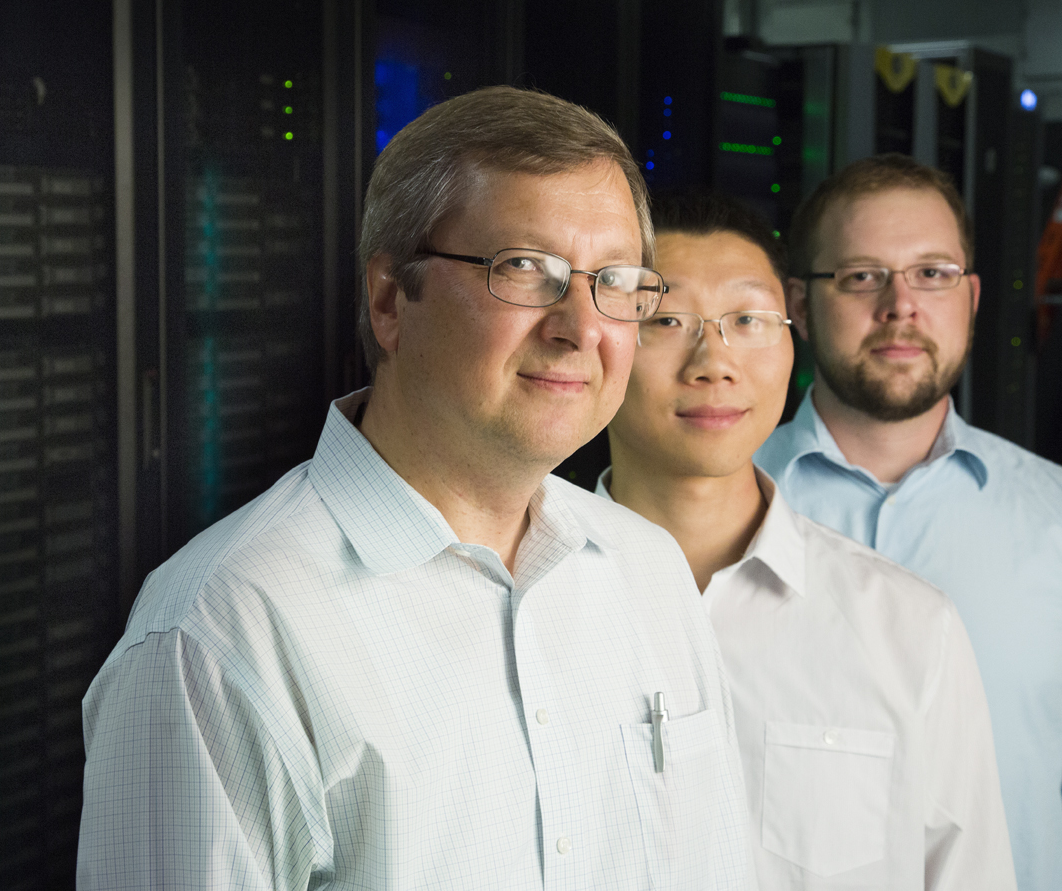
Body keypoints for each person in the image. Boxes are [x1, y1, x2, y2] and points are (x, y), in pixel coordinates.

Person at [77, 88, 754, 890]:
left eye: (614, 279)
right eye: (525, 270)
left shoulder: (647, 568)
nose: (579, 325)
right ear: (392, 299)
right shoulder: (220, 632)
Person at [599, 188, 1014, 889]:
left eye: (750, 319)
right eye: (666, 318)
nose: (714, 360)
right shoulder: (517, 604)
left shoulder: (911, 626)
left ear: (795, 341)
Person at [755, 154, 1062, 891]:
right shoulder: (707, 508)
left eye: (933, 273)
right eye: (862, 275)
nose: (901, 305)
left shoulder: (1054, 518)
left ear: (973, 296)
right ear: (799, 301)